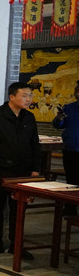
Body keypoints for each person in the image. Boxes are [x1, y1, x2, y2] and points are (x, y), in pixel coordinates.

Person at [0, 82, 41, 257]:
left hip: (23, 172)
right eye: (24, 95)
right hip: (1, 171)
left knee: (19, 209)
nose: (28, 99)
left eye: (30, 96)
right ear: (12, 96)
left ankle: (16, 244)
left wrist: (36, 169)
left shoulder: (29, 117)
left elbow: (35, 145)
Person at [53, 82, 79, 215]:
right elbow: (58, 125)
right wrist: (59, 119)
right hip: (70, 149)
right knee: (71, 179)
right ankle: (70, 208)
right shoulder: (69, 107)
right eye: (76, 91)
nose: (77, 93)